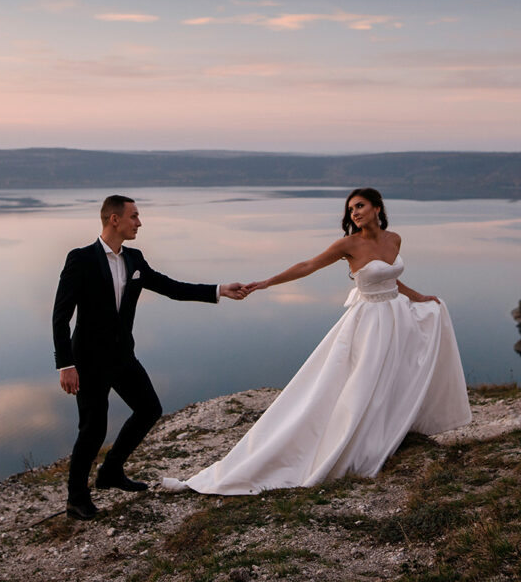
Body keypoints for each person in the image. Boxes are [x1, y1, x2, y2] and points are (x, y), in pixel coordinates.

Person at [163, 188, 471, 495]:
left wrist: (419, 297)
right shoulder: (348, 244)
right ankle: (348, 444)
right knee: (359, 385)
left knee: (393, 378)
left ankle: (389, 433)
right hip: (369, 323)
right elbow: (308, 265)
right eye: (351, 210)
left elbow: (390, 278)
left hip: (396, 316)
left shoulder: (395, 239)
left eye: (360, 206)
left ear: (378, 208)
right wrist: (267, 282)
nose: (355, 213)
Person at [52, 194, 247, 519]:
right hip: (87, 361)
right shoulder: (81, 259)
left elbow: (171, 287)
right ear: (114, 219)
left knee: (149, 409)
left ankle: (111, 471)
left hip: (122, 356)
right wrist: (65, 364)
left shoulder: (135, 259)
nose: (139, 222)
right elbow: (61, 316)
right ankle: (76, 499)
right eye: (134, 216)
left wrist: (219, 289)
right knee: (92, 429)